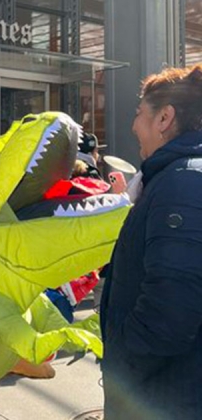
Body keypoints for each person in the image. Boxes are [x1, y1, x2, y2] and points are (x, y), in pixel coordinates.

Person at [100, 64, 202, 419]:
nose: (133, 125)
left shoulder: (182, 183)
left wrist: (119, 370)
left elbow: (169, 314)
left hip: (165, 399)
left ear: (165, 118)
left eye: (139, 113)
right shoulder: (174, 180)